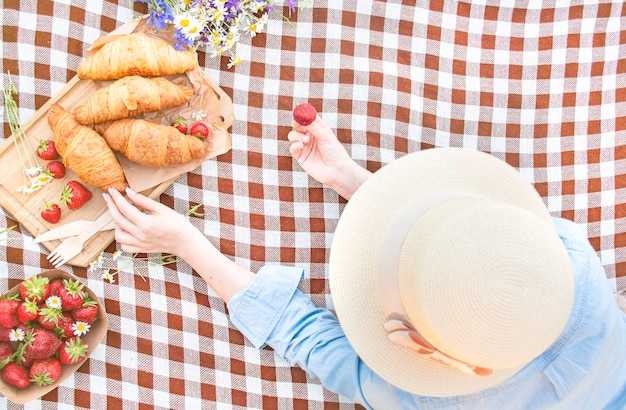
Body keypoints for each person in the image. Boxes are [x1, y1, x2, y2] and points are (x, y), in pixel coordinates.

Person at [103, 115, 626, 409]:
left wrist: (187, 244)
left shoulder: (429, 402)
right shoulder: (561, 256)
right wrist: (351, 182)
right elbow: (464, 241)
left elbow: (310, 339)